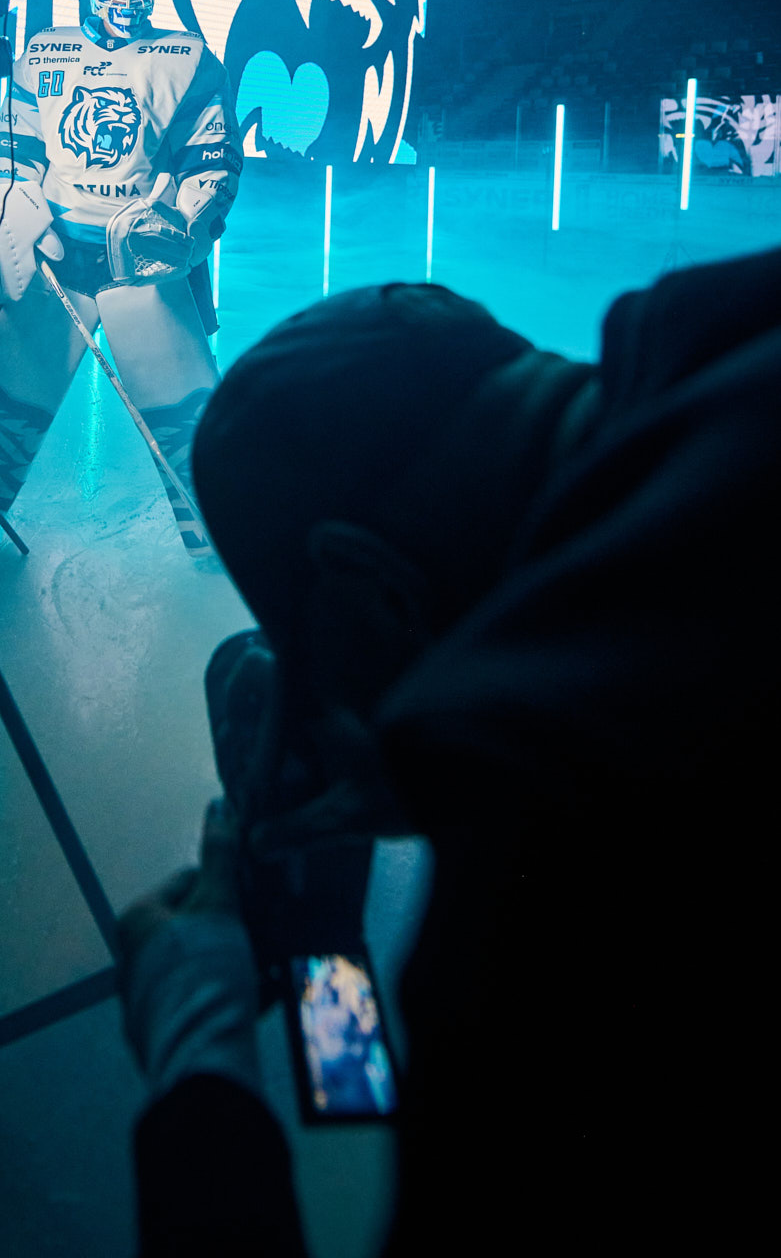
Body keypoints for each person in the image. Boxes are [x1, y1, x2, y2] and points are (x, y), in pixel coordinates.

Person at [116, 253, 778, 1255]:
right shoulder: (728, 351)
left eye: (318, 661)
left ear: (373, 587)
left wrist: (198, 1057)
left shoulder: (571, 841)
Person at [0, 0, 240, 551]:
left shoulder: (188, 58)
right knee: (6, 404)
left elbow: (214, 159)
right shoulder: (46, 50)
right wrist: (17, 208)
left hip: (141, 263)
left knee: (186, 416)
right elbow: (16, 144)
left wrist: (185, 228)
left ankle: (225, 537)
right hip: (57, 256)